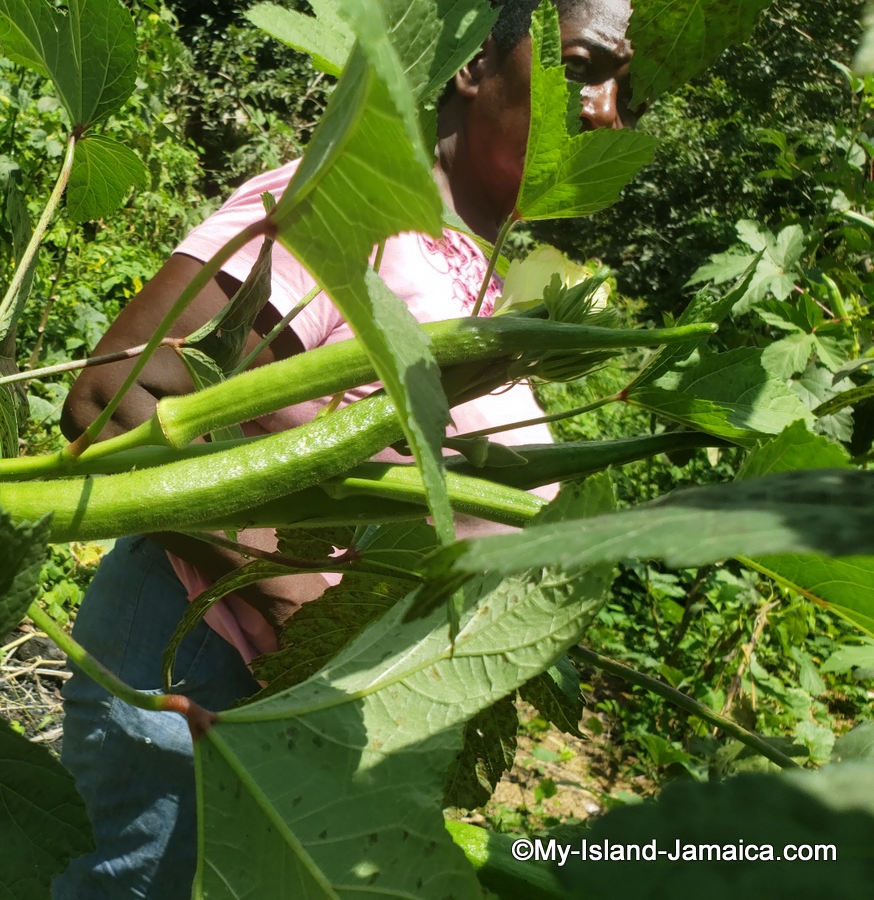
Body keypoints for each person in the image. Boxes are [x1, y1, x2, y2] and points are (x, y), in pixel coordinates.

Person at [51, 0, 639, 896]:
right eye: (584, 65)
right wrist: (293, 608)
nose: (603, 111)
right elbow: (118, 400)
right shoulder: (351, 209)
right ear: (475, 64)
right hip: (202, 676)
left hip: (303, 707)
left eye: (628, 94)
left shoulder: (488, 278)